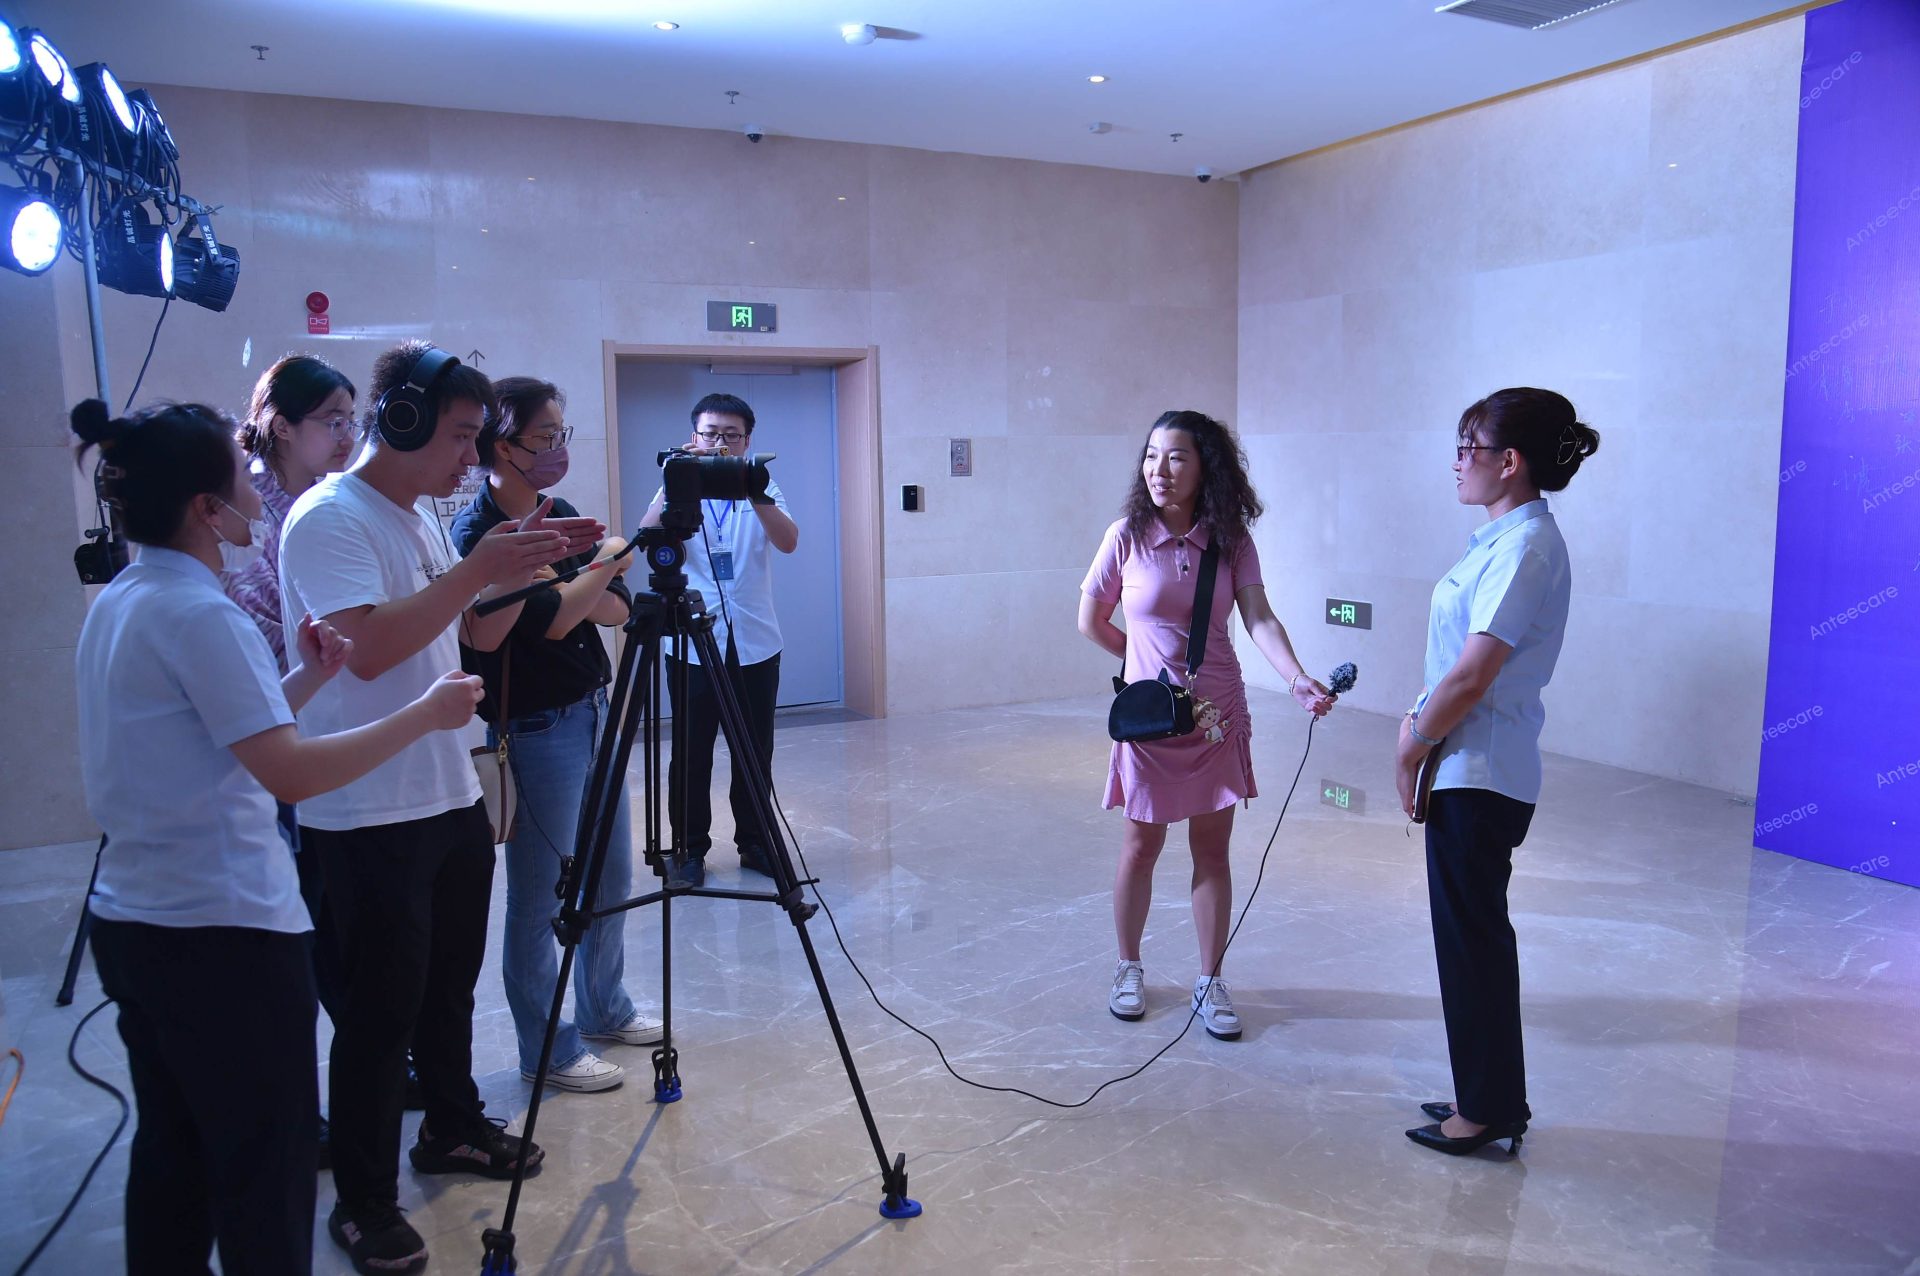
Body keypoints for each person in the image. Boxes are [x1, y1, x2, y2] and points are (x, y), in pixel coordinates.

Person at [70, 398, 485, 1276]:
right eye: (240, 475)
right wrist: (424, 714)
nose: (256, 491)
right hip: (221, 932)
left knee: (175, 1148)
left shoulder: (127, 597)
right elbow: (287, 773)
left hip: (136, 919)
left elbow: (219, 737)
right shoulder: (201, 614)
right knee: (266, 1164)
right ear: (204, 507)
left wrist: (306, 676)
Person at [279, 341, 601, 1276]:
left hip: (446, 788)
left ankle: (451, 1127)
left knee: (448, 989)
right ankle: (365, 1203)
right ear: (403, 420)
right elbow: (369, 650)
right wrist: (475, 570)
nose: (472, 456)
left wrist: (522, 568)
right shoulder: (328, 518)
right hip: (365, 806)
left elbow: (457, 627)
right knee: (378, 1017)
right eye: (461, 435)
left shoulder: (416, 513)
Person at [1078, 410, 1335, 1040]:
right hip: (1150, 722)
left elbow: (1259, 618)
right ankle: (1128, 967)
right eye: (1151, 456)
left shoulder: (1231, 540)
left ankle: (1210, 978)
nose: (1159, 470)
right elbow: (1091, 619)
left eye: (1176, 457)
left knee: (1212, 850)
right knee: (1140, 846)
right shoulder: (1126, 535)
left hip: (1216, 714)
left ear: (1205, 468)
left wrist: (1296, 676)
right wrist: (1147, 672)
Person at [1395, 387, 1599, 1157]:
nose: (1456, 463)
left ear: (1508, 461)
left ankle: (1485, 1111)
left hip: (1479, 773)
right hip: (1468, 767)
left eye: (1467, 448)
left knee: (1472, 943)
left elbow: (1473, 674)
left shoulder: (1526, 548)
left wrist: (1411, 744)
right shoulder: (1504, 541)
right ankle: (1486, 1095)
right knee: (1469, 941)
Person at [452, 376, 663, 1095]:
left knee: (611, 874)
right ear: (502, 445)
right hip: (536, 728)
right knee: (538, 896)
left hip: (593, 709)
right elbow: (557, 619)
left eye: (560, 435)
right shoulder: (480, 534)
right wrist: (607, 560)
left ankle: (606, 1006)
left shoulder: (562, 514)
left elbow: (615, 610)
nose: (556, 449)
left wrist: (588, 577)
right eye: (545, 437)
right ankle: (547, 1047)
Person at [222, 352, 359, 1163]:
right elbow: (258, 636)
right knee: (294, 940)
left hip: (317, 724)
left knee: (334, 930)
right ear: (278, 426)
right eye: (330, 421)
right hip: (272, 740)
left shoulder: (330, 502)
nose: (346, 436)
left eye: (352, 420)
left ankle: (367, 1072)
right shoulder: (250, 511)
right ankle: (296, 1111)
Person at [639, 392, 798, 889]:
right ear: (695, 436)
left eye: (732, 435)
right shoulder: (677, 483)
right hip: (691, 643)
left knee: (754, 749)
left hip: (754, 640)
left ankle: (755, 843)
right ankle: (689, 850)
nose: (720, 443)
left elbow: (788, 541)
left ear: (747, 440)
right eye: (711, 434)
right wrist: (676, 475)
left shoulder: (763, 482)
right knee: (691, 751)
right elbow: (645, 534)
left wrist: (754, 490)